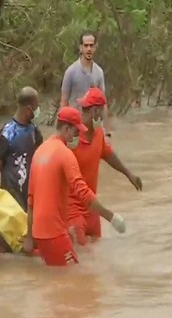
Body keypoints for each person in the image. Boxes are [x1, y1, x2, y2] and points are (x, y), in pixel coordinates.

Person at [23, 107, 126, 267]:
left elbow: (31, 200)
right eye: (76, 132)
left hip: (40, 233)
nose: (77, 136)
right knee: (75, 278)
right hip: (53, 233)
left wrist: (30, 237)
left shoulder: (40, 151)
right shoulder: (65, 154)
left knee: (59, 280)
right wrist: (111, 217)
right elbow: (83, 193)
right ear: (66, 129)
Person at [66, 87, 142, 246]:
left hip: (93, 208)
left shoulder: (99, 133)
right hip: (72, 209)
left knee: (96, 255)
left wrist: (129, 174)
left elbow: (107, 154)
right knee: (79, 260)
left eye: (86, 109)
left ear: (96, 113)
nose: (82, 112)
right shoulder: (71, 138)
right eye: (82, 108)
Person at [0, 86, 44, 211]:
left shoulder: (34, 131)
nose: (38, 110)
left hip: (29, 197)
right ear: (29, 109)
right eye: (36, 106)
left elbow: (41, 160)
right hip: (9, 199)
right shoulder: (7, 133)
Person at [60, 31, 113, 139]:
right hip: (73, 127)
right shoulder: (71, 72)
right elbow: (64, 101)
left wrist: (107, 130)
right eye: (86, 45)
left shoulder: (99, 72)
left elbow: (103, 103)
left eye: (91, 45)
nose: (89, 49)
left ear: (95, 47)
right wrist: (62, 130)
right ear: (81, 48)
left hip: (91, 127)